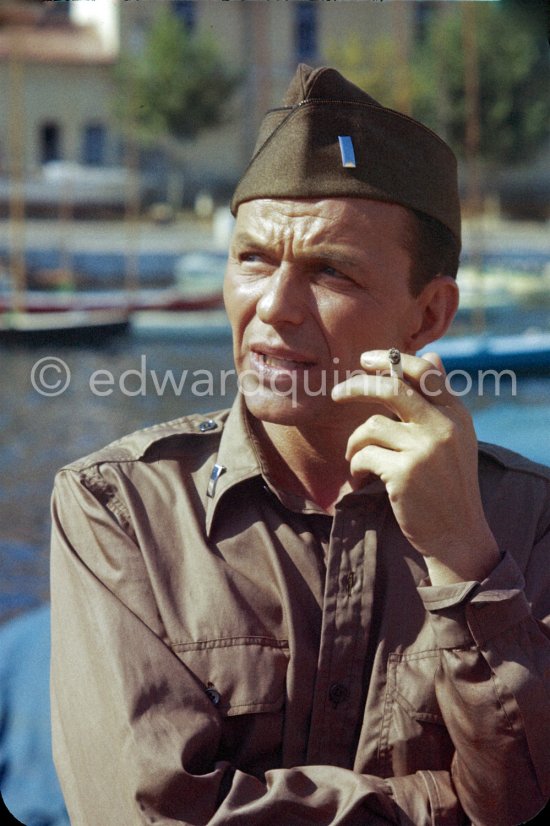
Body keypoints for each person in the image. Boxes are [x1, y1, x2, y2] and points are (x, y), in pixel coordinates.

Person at [50, 65, 550, 825]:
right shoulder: (120, 509)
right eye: (253, 259)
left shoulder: (528, 519)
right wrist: (440, 806)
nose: (273, 308)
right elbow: (145, 812)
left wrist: (463, 560)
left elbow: (524, 799)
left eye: (329, 271)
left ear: (428, 316)